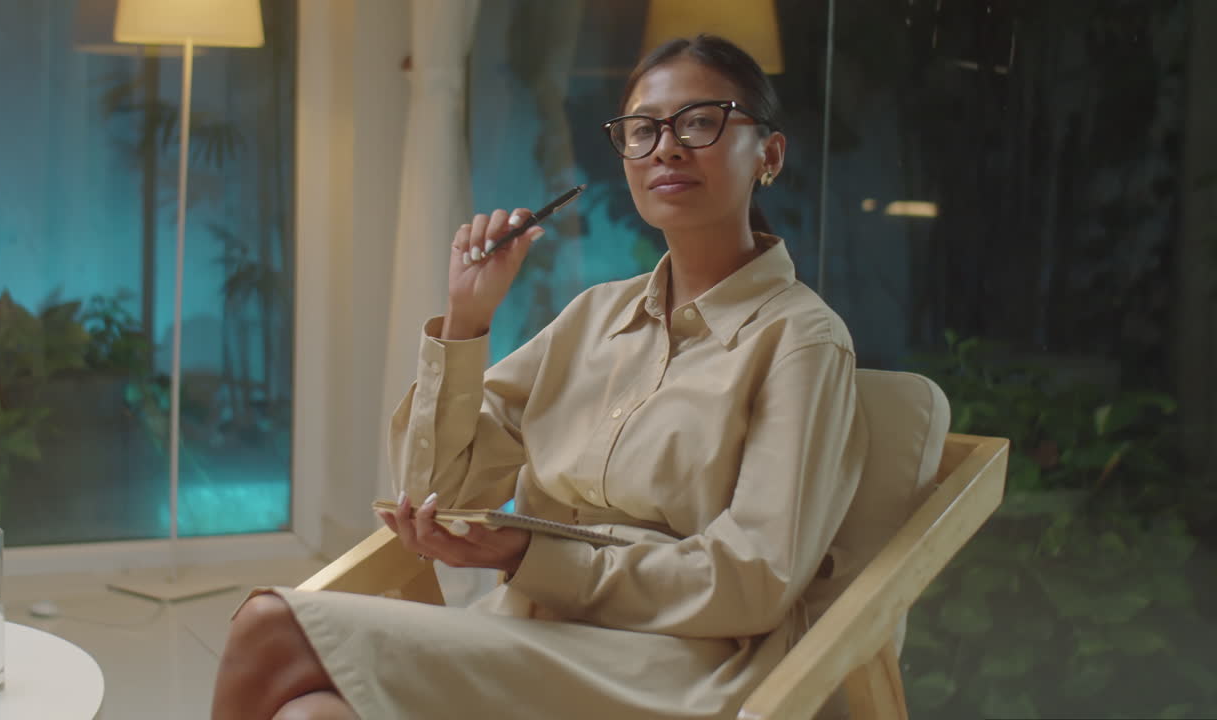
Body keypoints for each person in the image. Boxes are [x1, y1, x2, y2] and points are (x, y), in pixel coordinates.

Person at [212, 34, 867, 720]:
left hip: (677, 664)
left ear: (770, 154)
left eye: (700, 121)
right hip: (536, 629)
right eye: (642, 130)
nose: (666, 148)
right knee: (309, 717)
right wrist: (467, 318)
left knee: (271, 625)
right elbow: (438, 491)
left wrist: (534, 554)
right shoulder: (596, 317)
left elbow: (755, 579)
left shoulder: (801, 342)